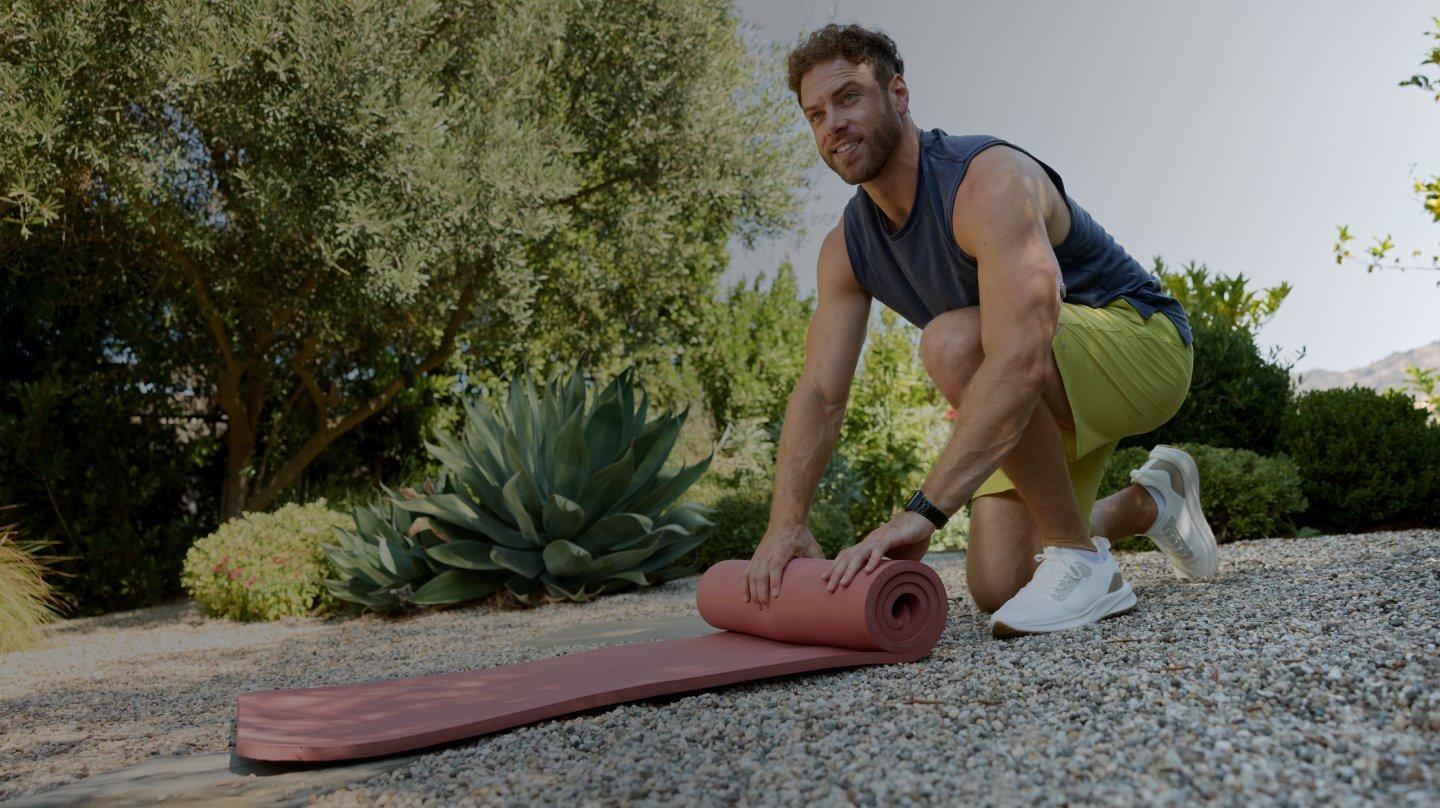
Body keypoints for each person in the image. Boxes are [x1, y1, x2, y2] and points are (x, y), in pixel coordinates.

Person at [741, 23, 1218, 637]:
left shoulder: (987, 180)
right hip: (1040, 384)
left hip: (1142, 346)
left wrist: (921, 512)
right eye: (814, 114)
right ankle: (1151, 504)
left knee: (953, 342)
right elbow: (820, 391)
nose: (831, 123)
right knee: (1000, 585)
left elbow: (1020, 352)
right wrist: (786, 522)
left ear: (899, 94)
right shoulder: (846, 247)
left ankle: (1081, 560)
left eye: (848, 97)